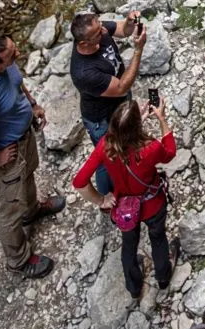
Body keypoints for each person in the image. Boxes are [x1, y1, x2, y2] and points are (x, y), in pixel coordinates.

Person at [0, 33, 65, 279]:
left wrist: (33, 105)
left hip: (24, 136)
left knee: (28, 177)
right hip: (7, 150)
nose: (17, 54)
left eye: (14, 48)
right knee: (10, 209)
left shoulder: (5, 64)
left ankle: (32, 210)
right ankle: (18, 261)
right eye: (11, 54)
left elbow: (17, 83)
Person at [72, 97, 178, 297]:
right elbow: (170, 152)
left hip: (124, 207)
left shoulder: (106, 145)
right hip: (152, 203)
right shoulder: (150, 147)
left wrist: (101, 200)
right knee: (157, 238)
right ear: (135, 128)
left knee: (129, 245)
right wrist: (161, 119)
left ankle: (134, 288)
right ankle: (163, 277)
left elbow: (79, 182)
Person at [69, 11, 146, 196]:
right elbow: (121, 87)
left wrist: (128, 22)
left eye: (101, 27)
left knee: (126, 143)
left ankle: (131, 171)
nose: (104, 31)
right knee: (106, 159)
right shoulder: (84, 72)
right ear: (83, 43)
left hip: (119, 104)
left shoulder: (97, 29)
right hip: (101, 118)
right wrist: (137, 50)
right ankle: (108, 195)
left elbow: (121, 29)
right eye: (98, 33)